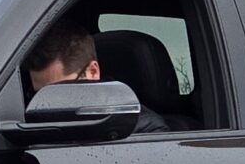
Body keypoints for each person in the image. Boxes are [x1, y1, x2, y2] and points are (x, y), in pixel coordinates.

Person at [21, 21, 169, 134]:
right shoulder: (32, 129)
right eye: (38, 96)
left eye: (59, 92)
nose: (46, 106)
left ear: (92, 71)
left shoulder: (145, 130)